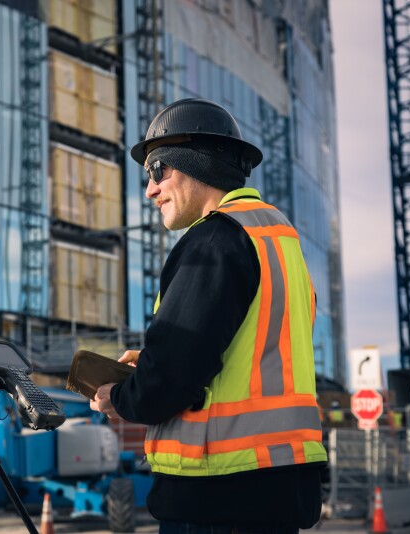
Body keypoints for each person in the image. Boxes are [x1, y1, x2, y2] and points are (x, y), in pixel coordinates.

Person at [90, 98, 328, 532]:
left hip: (218, 492)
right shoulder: (279, 240)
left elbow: (172, 378)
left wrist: (120, 397)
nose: (150, 189)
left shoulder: (214, 241)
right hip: (276, 489)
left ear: (196, 163)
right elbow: (247, 356)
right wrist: (153, 363)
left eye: (158, 169)